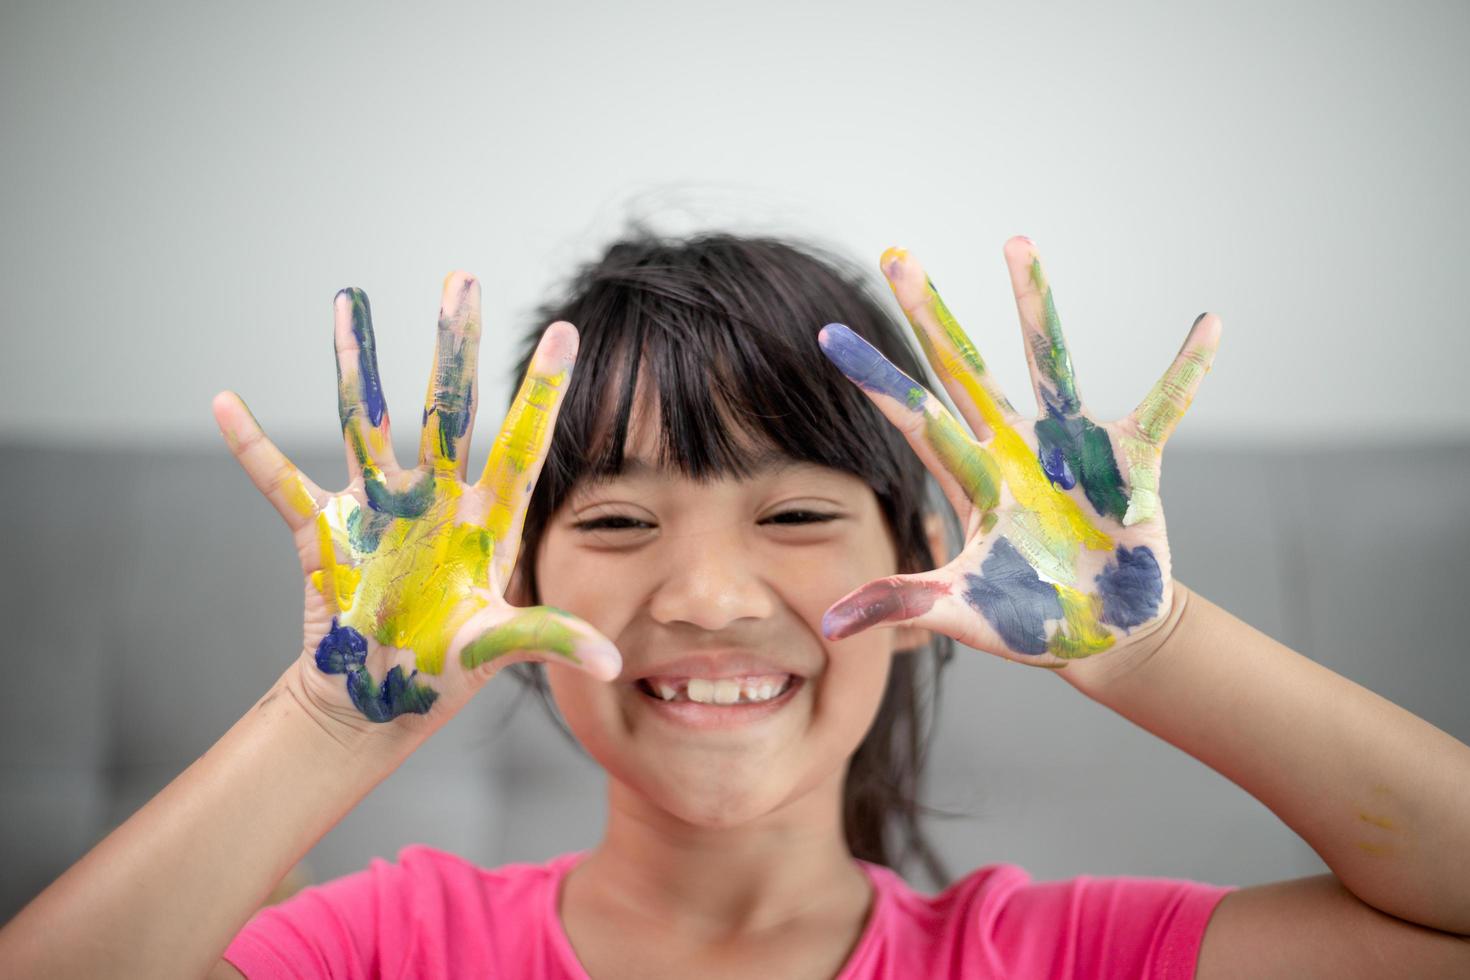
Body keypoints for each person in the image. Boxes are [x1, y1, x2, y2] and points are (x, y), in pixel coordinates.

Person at [2, 232, 1467, 979]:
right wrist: (331, 715)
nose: (704, 595)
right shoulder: (394, 947)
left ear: (935, 579)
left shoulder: (1052, 958)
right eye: (624, 521)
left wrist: (1155, 644)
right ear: (507, 582)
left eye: (797, 515)